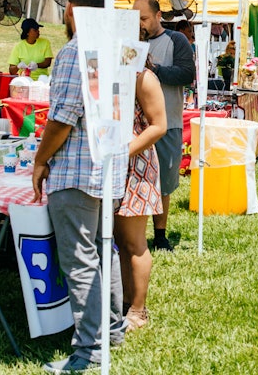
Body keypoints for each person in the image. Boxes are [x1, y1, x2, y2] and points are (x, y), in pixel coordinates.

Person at [31, 0, 129, 373]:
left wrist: (40, 161)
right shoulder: (115, 45)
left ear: (71, 9)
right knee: (104, 251)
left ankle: (88, 351)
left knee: (81, 259)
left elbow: (63, 118)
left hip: (77, 168)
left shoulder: (75, 52)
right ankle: (112, 330)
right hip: (108, 167)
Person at [133, 0, 195, 253]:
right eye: (136, 19)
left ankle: (160, 234)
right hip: (135, 126)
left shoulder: (176, 40)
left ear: (159, 16)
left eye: (144, 19)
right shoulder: (131, 41)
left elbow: (186, 74)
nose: (140, 24)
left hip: (167, 122)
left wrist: (154, 70)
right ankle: (134, 233)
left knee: (165, 182)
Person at [116, 67, 166, 331]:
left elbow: (159, 126)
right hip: (113, 164)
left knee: (133, 241)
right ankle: (125, 302)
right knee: (118, 240)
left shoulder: (143, 76)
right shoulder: (107, 68)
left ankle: (138, 310)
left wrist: (122, 153)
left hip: (136, 165)